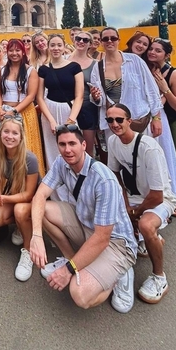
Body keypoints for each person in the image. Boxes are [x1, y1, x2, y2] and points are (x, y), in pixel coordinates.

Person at [29, 124, 137, 313]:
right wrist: (36, 236)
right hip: (87, 225)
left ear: (84, 145)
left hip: (115, 243)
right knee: (43, 210)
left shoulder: (103, 179)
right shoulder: (61, 162)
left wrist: (67, 272)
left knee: (79, 294)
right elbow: (39, 196)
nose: (67, 149)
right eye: (62, 144)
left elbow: (103, 238)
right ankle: (72, 259)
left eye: (72, 143)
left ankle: (119, 274)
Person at [90, 28, 176, 200]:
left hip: (140, 120)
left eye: (113, 38)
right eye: (106, 39)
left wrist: (156, 117)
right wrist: (96, 97)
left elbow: (150, 88)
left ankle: (161, 200)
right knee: (123, 163)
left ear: (118, 40)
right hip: (115, 123)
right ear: (101, 42)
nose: (109, 41)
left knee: (148, 161)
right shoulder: (98, 67)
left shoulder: (134, 61)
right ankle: (129, 201)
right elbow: (101, 100)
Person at [106, 104, 176, 303]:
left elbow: (157, 196)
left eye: (119, 119)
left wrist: (134, 213)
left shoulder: (149, 148)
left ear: (129, 121)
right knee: (110, 214)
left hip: (161, 198)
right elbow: (115, 174)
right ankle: (148, 241)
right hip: (136, 197)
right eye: (110, 120)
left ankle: (159, 278)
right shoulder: (113, 142)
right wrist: (126, 204)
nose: (114, 124)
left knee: (145, 224)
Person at [0, 116, 39, 280]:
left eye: (15, 133)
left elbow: (29, 194)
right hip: (14, 193)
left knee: (20, 210)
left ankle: (28, 252)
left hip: (33, 199)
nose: (10, 136)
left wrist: (1, 199)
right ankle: (21, 226)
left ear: (21, 136)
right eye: (6, 131)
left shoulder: (30, 159)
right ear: (0, 133)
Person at [37, 34, 83, 195]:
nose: (56, 48)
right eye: (53, 45)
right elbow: (39, 97)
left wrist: (71, 119)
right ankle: (57, 194)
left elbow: (79, 96)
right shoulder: (43, 69)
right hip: (49, 111)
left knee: (72, 150)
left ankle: (76, 191)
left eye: (59, 45)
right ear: (48, 48)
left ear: (64, 47)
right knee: (52, 151)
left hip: (69, 110)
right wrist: (51, 120)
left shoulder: (74, 67)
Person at [147, 38, 176, 217]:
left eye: (158, 50)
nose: (152, 52)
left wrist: (165, 89)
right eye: (151, 49)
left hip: (168, 121)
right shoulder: (146, 69)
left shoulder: (174, 74)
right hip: (148, 120)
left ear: (167, 54)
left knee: (170, 157)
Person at [0, 38, 44, 176]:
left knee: (26, 147)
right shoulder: (1, 70)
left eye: (17, 50)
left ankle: (30, 182)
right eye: (11, 50)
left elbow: (31, 96)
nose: (14, 53)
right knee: (7, 148)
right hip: (5, 112)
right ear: (7, 52)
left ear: (23, 52)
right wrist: (0, 109)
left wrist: (15, 110)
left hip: (24, 112)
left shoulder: (31, 71)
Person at [68, 31, 98, 156]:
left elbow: (97, 88)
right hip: (67, 107)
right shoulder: (64, 60)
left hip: (87, 109)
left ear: (90, 44)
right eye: (78, 38)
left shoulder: (95, 64)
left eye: (85, 40)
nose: (81, 42)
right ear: (74, 40)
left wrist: (96, 95)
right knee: (68, 146)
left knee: (87, 150)